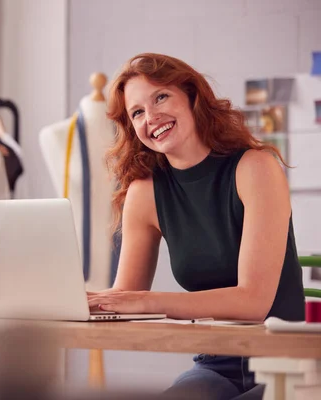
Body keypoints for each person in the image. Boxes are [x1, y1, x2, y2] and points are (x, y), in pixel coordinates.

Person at [86, 53, 305, 399]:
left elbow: (253, 302)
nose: (151, 117)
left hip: (288, 364)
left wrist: (146, 302)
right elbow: (124, 299)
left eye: (160, 97)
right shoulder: (144, 193)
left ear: (192, 97)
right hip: (217, 363)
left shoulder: (256, 168)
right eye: (137, 112)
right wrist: (71, 301)